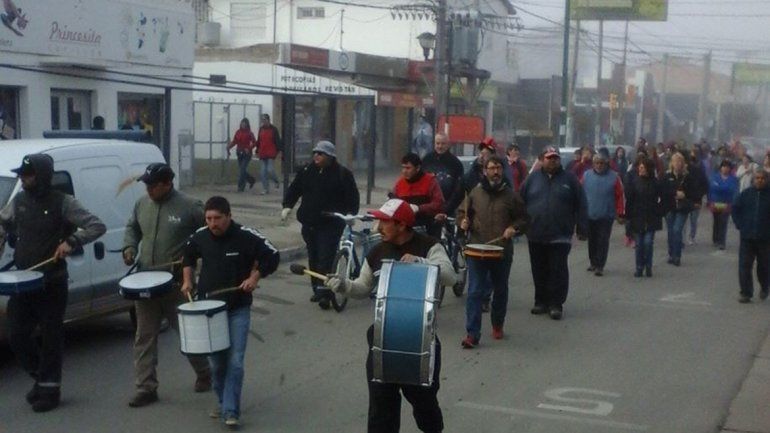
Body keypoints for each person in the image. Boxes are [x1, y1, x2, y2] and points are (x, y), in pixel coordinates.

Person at [323, 198, 455, 433]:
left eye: (384, 222)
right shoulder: (377, 252)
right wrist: (343, 285)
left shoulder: (429, 245)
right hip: (382, 340)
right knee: (381, 408)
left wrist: (421, 262)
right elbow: (362, 288)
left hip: (420, 340)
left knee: (424, 404)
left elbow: (449, 276)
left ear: (402, 224)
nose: (377, 228)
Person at [0, 154, 106, 412]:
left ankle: (50, 390)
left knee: (51, 338)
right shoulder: (19, 201)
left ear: (42, 176)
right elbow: (2, 224)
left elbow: (96, 226)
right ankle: (42, 379)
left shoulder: (63, 203)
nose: (23, 179)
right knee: (16, 335)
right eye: (22, 175)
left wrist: (71, 242)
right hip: (23, 281)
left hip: (52, 282)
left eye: (28, 175)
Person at [181, 196, 280, 429]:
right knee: (218, 364)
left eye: (217, 218)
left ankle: (230, 411)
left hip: (238, 308)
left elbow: (272, 256)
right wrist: (187, 281)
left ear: (229, 216)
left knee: (235, 361)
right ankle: (223, 400)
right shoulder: (200, 236)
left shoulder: (246, 236)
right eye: (209, 219)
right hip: (210, 311)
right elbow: (187, 257)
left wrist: (254, 277)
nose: (213, 223)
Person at [122, 163, 212, 408]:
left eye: (153, 185)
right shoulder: (142, 205)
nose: (148, 190)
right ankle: (146, 388)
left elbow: (210, 232)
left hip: (176, 285)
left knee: (187, 335)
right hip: (145, 282)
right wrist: (129, 247)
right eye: (147, 185)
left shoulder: (190, 206)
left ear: (168, 184)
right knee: (144, 337)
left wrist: (195, 263)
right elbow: (132, 228)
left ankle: (205, 372)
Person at [456, 156, 528, 347]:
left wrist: (514, 228)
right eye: (491, 168)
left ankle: (497, 323)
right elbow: (462, 212)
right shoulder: (475, 193)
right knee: (474, 292)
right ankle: (472, 334)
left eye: (498, 168)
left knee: (500, 289)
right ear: (484, 171)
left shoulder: (511, 195)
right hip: (477, 248)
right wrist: (463, 221)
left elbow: (523, 219)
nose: (495, 172)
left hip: (501, 250)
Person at [282, 140, 359, 309]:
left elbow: (353, 196)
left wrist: (350, 214)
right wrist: (287, 206)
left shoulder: (342, 174)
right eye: (315, 153)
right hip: (310, 223)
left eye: (320, 153)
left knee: (326, 257)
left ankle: (326, 293)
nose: (316, 156)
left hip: (331, 223)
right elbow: (294, 189)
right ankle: (317, 288)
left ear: (330, 156)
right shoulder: (307, 171)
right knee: (314, 256)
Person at [519, 146, 587, 320]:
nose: (552, 161)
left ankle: (556, 304)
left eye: (555, 158)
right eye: (549, 158)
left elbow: (581, 204)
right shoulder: (532, 179)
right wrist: (518, 225)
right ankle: (540, 301)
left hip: (560, 234)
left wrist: (582, 227)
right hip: (536, 233)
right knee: (539, 269)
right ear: (542, 159)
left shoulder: (570, 179)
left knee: (558, 270)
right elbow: (519, 202)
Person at [582, 153, 625, 276]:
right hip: (590, 214)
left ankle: (600, 265)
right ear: (593, 164)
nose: (599, 165)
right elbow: (580, 193)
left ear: (606, 164)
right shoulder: (586, 176)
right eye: (597, 163)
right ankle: (593, 262)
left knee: (602, 240)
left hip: (606, 215)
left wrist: (620, 213)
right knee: (592, 240)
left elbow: (620, 196)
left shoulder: (614, 177)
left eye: (602, 163)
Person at [732, 169, 770, 303]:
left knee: (764, 266)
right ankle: (746, 293)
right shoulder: (746, 194)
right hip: (747, 236)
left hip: (764, 238)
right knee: (744, 265)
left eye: (762, 178)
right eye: (757, 178)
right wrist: (739, 224)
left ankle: (765, 286)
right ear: (753, 180)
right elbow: (735, 208)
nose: (759, 180)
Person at [392, 153, 445, 238]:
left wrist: (419, 208)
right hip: (405, 230)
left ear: (418, 168)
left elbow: (439, 203)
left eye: (408, 168)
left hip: (428, 229)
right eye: (403, 167)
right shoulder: (399, 184)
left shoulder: (430, 181)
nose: (404, 171)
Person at [626, 158, 664, 277]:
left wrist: (660, 210)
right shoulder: (635, 182)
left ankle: (648, 266)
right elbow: (629, 200)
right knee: (639, 244)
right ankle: (639, 267)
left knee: (648, 243)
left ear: (648, 169)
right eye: (639, 168)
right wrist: (626, 215)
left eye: (642, 167)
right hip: (637, 216)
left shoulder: (655, 183)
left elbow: (662, 198)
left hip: (651, 217)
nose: (640, 170)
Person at [661, 152, 697, 266]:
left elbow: (694, 192)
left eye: (680, 161)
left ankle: (677, 256)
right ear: (672, 163)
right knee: (671, 231)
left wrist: (684, 195)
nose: (678, 163)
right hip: (670, 207)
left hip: (682, 208)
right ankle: (671, 254)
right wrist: (674, 193)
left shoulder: (688, 177)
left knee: (677, 230)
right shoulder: (667, 176)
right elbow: (663, 191)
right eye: (676, 161)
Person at [421, 132, 465, 219]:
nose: (440, 146)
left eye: (443, 144)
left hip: (449, 209)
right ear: (434, 144)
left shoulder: (455, 163)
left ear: (448, 144)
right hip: (428, 208)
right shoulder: (426, 160)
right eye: (438, 143)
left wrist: (448, 208)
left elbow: (458, 189)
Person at [708, 159, 739, 250]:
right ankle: (715, 239)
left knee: (723, 222)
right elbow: (712, 188)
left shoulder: (733, 179)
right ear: (721, 168)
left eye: (727, 167)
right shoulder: (715, 177)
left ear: (730, 169)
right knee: (716, 221)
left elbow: (732, 189)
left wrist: (720, 188)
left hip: (727, 203)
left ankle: (722, 242)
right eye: (724, 167)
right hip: (715, 202)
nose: (725, 169)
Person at [685, 148, 709, 245]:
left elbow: (705, 185)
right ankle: (691, 237)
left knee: (688, 219)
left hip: (690, 199)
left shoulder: (688, 172)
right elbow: (706, 185)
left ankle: (687, 237)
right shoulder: (700, 172)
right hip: (695, 199)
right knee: (692, 220)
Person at [254, 114, 283, 195]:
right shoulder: (261, 129)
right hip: (262, 152)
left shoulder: (273, 129)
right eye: (262, 120)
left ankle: (276, 181)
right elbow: (259, 141)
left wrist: (280, 150)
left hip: (271, 152)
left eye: (265, 119)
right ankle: (265, 189)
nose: (263, 121)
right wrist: (257, 151)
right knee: (263, 172)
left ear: (268, 120)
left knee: (270, 169)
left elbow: (277, 140)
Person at [226, 118, 257, 192]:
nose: (243, 125)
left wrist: (249, 148)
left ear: (247, 125)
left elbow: (254, 143)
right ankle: (251, 180)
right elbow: (235, 141)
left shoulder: (250, 133)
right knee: (242, 171)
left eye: (244, 124)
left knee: (242, 170)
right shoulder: (238, 132)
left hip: (247, 154)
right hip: (239, 153)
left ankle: (240, 186)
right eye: (242, 123)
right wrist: (229, 147)